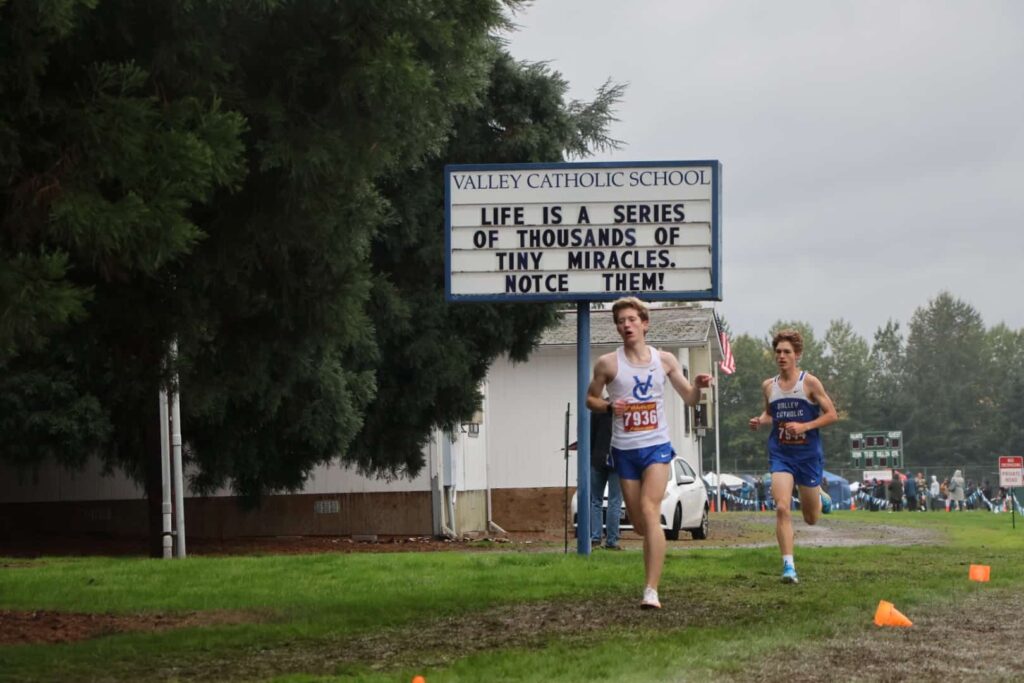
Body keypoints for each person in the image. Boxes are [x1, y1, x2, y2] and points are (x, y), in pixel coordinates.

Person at [586, 297, 712, 609]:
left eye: (631, 319)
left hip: (656, 447)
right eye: (621, 321)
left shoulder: (664, 360)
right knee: (641, 524)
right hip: (625, 451)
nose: (626, 325)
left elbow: (689, 398)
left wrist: (698, 386)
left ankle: (651, 590)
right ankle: (649, 560)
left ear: (645, 323)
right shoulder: (608, 364)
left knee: (650, 509)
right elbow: (591, 399)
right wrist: (610, 406)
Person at [749, 329, 838, 584]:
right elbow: (770, 414)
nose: (781, 356)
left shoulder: (809, 383)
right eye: (778, 352)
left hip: (808, 455)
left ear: (797, 354)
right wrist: (760, 420)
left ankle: (818, 494)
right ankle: (789, 566)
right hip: (781, 454)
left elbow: (832, 414)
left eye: (787, 352)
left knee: (811, 519)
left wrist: (804, 426)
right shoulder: (769, 386)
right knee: (781, 506)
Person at [589, 408, 623, 550]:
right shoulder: (624, 411)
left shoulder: (598, 410)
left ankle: (595, 538)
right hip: (617, 460)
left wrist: (591, 456)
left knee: (596, 501)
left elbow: (591, 436)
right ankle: (612, 541)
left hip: (598, 459)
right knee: (614, 501)